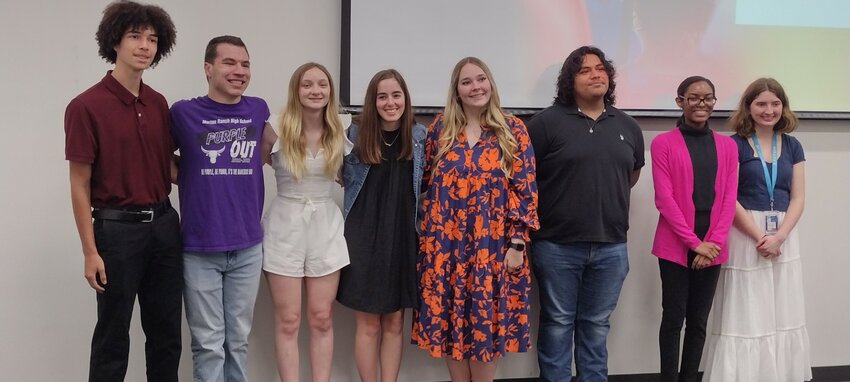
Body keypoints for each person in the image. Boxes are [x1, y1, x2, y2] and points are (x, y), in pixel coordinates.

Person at [64, 1, 180, 381]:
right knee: (112, 336)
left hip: (164, 226)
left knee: (166, 335)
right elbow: (79, 184)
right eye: (135, 36)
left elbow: (166, 166)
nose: (144, 45)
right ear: (115, 41)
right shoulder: (86, 106)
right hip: (116, 233)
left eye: (152, 38)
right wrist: (89, 251)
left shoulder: (159, 103)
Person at [412, 57, 539, 382]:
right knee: (451, 335)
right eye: (467, 82)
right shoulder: (439, 131)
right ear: (457, 91)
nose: (475, 87)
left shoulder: (513, 131)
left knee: (484, 336)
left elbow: (524, 190)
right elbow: (421, 185)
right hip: (445, 252)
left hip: (493, 249)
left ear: (491, 84)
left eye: (481, 79)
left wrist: (517, 243)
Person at [526, 45, 645, 382]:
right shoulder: (545, 124)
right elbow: (525, 181)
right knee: (558, 323)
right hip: (556, 245)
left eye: (600, 68)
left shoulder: (627, 126)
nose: (596, 74)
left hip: (611, 247)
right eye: (585, 70)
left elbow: (630, 176)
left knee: (596, 325)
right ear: (569, 80)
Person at [170, 35, 276, 382]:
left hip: (247, 246)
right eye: (229, 63)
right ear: (208, 68)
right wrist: (190, 175)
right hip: (199, 248)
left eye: (245, 64)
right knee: (208, 343)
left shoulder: (258, 108)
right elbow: (154, 158)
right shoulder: (184, 112)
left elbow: (276, 150)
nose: (239, 71)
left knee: (238, 341)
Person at [703, 78, 812, 382]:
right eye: (761, 104)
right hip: (745, 234)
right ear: (748, 107)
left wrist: (779, 236)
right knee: (747, 309)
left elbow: (799, 197)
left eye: (775, 103)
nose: (769, 110)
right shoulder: (733, 144)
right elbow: (729, 197)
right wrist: (760, 236)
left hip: (783, 236)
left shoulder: (792, 144)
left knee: (783, 308)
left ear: (783, 106)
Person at [263, 62, 350, 382]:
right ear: (296, 91)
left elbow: (351, 178)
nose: (316, 91)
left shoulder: (343, 127)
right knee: (288, 320)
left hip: (326, 227)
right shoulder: (274, 126)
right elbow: (245, 172)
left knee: (322, 317)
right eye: (307, 85)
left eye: (322, 85)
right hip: (285, 226)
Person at [337, 69, 426, 382]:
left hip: (403, 238)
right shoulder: (354, 136)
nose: (390, 102)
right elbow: (337, 175)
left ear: (405, 98)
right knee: (369, 324)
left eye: (396, 95)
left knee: (394, 323)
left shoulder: (419, 137)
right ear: (372, 102)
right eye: (383, 96)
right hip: (364, 239)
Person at [649, 76, 738, 382]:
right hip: (675, 244)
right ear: (680, 102)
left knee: (698, 322)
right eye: (694, 98)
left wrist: (710, 243)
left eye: (708, 98)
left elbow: (728, 200)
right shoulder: (662, 143)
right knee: (674, 319)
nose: (702, 104)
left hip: (712, 244)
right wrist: (693, 243)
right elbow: (664, 199)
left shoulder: (727, 146)